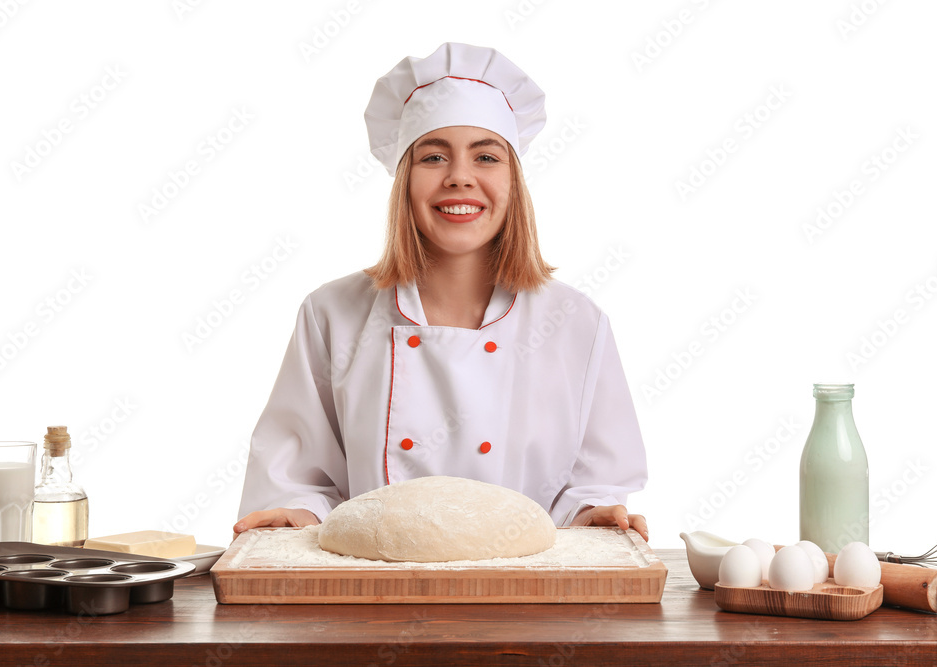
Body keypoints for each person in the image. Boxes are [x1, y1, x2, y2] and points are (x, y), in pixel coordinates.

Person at [233, 42, 649, 542]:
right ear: (406, 181)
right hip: (370, 598)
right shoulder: (332, 315)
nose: (459, 177)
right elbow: (299, 478)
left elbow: (592, 487)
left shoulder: (576, 322)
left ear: (513, 182)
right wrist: (296, 512)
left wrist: (594, 515)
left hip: (525, 601)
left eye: (486, 156)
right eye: (433, 156)